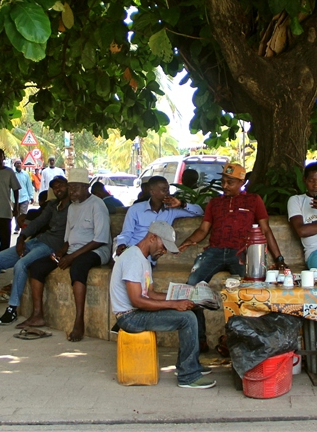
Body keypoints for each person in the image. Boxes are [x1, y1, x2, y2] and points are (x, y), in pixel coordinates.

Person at [178, 163, 286, 352]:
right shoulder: (214, 203)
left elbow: (265, 229)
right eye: (223, 181)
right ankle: (199, 340)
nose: (225, 185)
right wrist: (188, 241)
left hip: (242, 251)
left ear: (241, 182)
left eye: (230, 182)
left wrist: (279, 259)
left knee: (249, 291)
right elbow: (203, 229)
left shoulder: (254, 200)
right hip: (215, 251)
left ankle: (232, 340)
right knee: (192, 286)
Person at [110, 221, 215, 389]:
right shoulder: (132, 258)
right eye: (163, 246)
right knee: (187, 319)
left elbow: (150, 294)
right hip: (129, 317)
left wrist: (184, 297)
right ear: (152, 237)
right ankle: (188, 376)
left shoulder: (143, 260)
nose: (164, 251)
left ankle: (189, 365)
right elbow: (136, 300)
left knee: (191, 311)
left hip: (137, 312)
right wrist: (174, 304)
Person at [0, 176, 70, 324]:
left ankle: (12, 309)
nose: (58, 189)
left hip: (51, 246)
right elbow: (38, 222)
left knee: (21, 264)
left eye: (61, 186)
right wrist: (21, 237)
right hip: (37, 241)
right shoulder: (52, 205)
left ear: (68, 186)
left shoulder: (74, 206)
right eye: (55, 187)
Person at [23, 168, 111, 341]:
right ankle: (38, 314)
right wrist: (61, 252)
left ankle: (79, 322)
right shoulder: (72, 207)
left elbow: (100, 239)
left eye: (75, 188)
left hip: (96, 250)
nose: (71, 191)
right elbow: (68, 239)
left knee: (78, 266)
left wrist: (71, 257)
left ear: (86, 187)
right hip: (73, 250)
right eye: (70, 187)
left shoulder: (97, 205)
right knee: (37, 266)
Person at [115, 176, 202, 256]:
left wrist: (182, 204)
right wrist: (121, 245)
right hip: (134, 249)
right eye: (164, 190)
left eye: (168, 189)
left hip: (153, 254)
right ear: (152, 192)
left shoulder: (172, 210)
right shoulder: (135, 209)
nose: (168, 193)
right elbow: (127, 232)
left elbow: (200, 212)